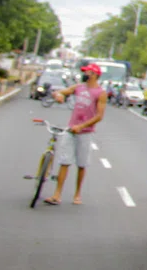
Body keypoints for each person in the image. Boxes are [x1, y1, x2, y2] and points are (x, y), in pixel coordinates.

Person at [43, 64, 107, 205]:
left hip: (85, 133)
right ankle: (57, 194)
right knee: (64, 161)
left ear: (95, 74)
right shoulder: (79, 87)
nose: (85, 74)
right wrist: (58, 95)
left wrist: (82, 126)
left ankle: (77, 194)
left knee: (81, 164)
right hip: (71, 129)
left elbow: (99, 116)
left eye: (88, 72)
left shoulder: (100, 93)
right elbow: (61, 92)